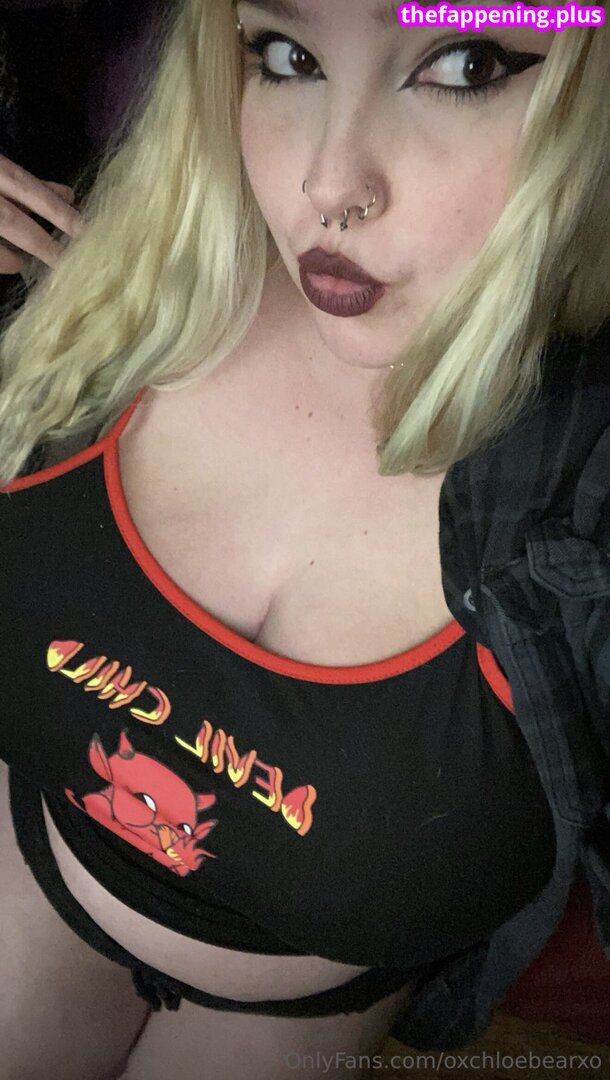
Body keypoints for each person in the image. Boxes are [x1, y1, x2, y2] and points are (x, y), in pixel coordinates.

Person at [0, 2, 608, 1079]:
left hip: (294, 1005)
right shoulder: (105, 290)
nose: (328, 185)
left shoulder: (582, 489)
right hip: (39, 868)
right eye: (285, 56)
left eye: (466, 64)